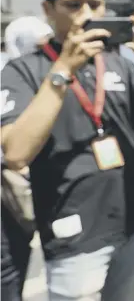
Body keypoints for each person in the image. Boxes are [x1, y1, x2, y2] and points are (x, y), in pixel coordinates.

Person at [0, 0, 134, 301]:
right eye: (73, 5)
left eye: (96, 5)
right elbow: (15, 153)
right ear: (48, 10)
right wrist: (63, 69)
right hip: (73, 236)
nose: (87, 14)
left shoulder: (119, 61)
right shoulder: (23, 70)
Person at [1, 16, 53, 301]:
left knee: (20, 251)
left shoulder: (43, 73)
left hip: (26, 186)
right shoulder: (10, 73)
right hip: (9, 183)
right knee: (6, 265)